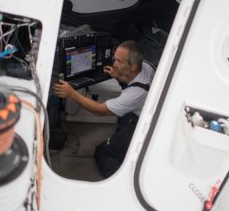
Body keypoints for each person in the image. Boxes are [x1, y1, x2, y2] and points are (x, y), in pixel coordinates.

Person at [53, 40, 155, 178]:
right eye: (115, 58)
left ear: (133, 67)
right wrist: (118, 76)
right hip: (144, 109)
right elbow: (132, 81)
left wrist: (71, 93)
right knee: (122, 118)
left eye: (119, 61)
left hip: (145, 124)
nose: (114, 64)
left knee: (103, 153)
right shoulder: (146, 65)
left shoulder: (135, 94)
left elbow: (99, 111)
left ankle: (120, 183)